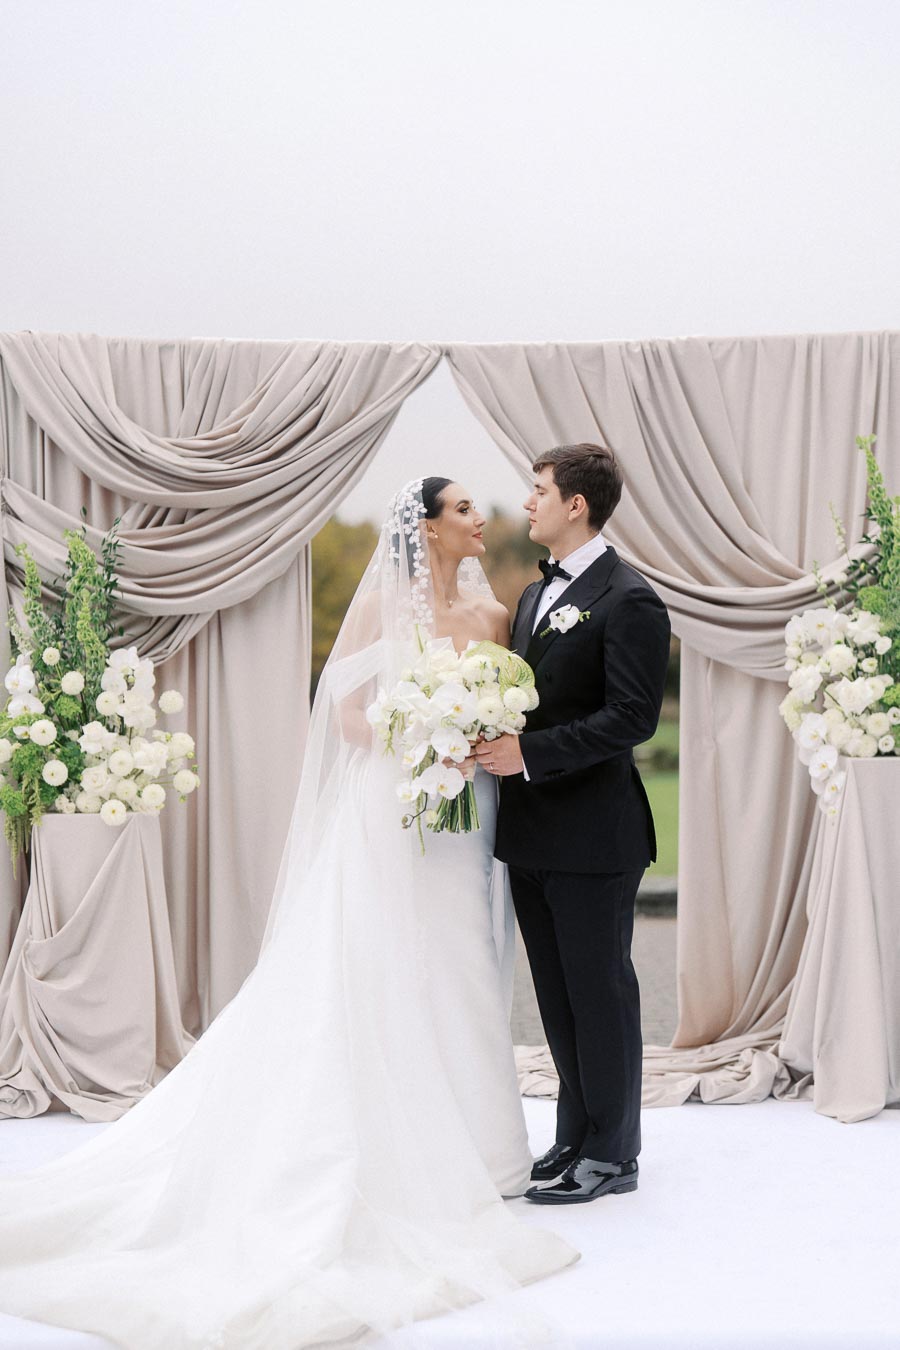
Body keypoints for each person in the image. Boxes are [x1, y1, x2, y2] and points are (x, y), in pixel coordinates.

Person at [0, 478, 578, 1349]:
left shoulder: (497, 615)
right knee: (384, 960)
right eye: (462, 508)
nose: (479, 519)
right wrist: (421, 732)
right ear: (426, 526)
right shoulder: (385, 605)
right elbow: (344, 715)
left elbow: (516, 712)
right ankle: (388, 1143)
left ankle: (484, 1149)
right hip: (396, 809)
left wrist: (477, 737)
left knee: (464, 958)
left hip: (470, 823)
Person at [476, 444, 671, 1205]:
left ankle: (615, 1154)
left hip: (596, 836)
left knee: (602, 994)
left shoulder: (631, 599)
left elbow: (632, 718)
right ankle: (574, 1136)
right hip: (531, 834)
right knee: (557, 997)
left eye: (538, 491)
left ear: (575, 506)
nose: (528, 504)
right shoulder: (529, 597)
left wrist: (526, 753)